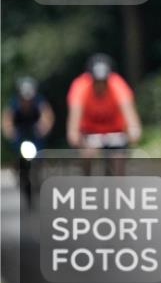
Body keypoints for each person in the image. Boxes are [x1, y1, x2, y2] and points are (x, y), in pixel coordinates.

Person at [66, 54, 142, 173]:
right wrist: (75, 136)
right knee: (86, 156)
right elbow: (74, 120)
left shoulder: (118, 85)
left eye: (104, 82)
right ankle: (86, 184)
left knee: (118, 162)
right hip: (90, 133)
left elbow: (130, 113)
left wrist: (133, 131)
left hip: (115, 133)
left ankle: (117, 188)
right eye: (97, 82)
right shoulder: (80, 86)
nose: (100, 86)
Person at [3, 76, 54, 206]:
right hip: (20, 135)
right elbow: (7, 119)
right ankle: (17, 170)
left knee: (40, 157)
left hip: (34, 135)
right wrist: (10, 131)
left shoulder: (39, 102)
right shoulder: (14, 103)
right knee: (18, 156)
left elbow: (47, 116)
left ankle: (40, 175)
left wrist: (43, 127)